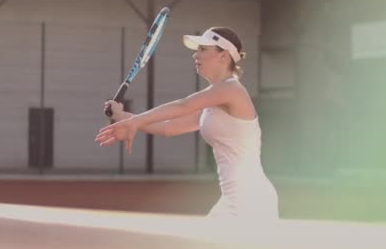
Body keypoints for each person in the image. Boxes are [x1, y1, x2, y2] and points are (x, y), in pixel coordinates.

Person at [96, 27, 278, 220]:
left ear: (223, 56)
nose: (195, 55)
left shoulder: (231, 90)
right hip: (234, 199)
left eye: (202, 49)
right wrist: (123, 116)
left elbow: (184, 105)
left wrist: (134, 122)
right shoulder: (215, 98)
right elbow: (169, 128)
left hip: (250, 200)